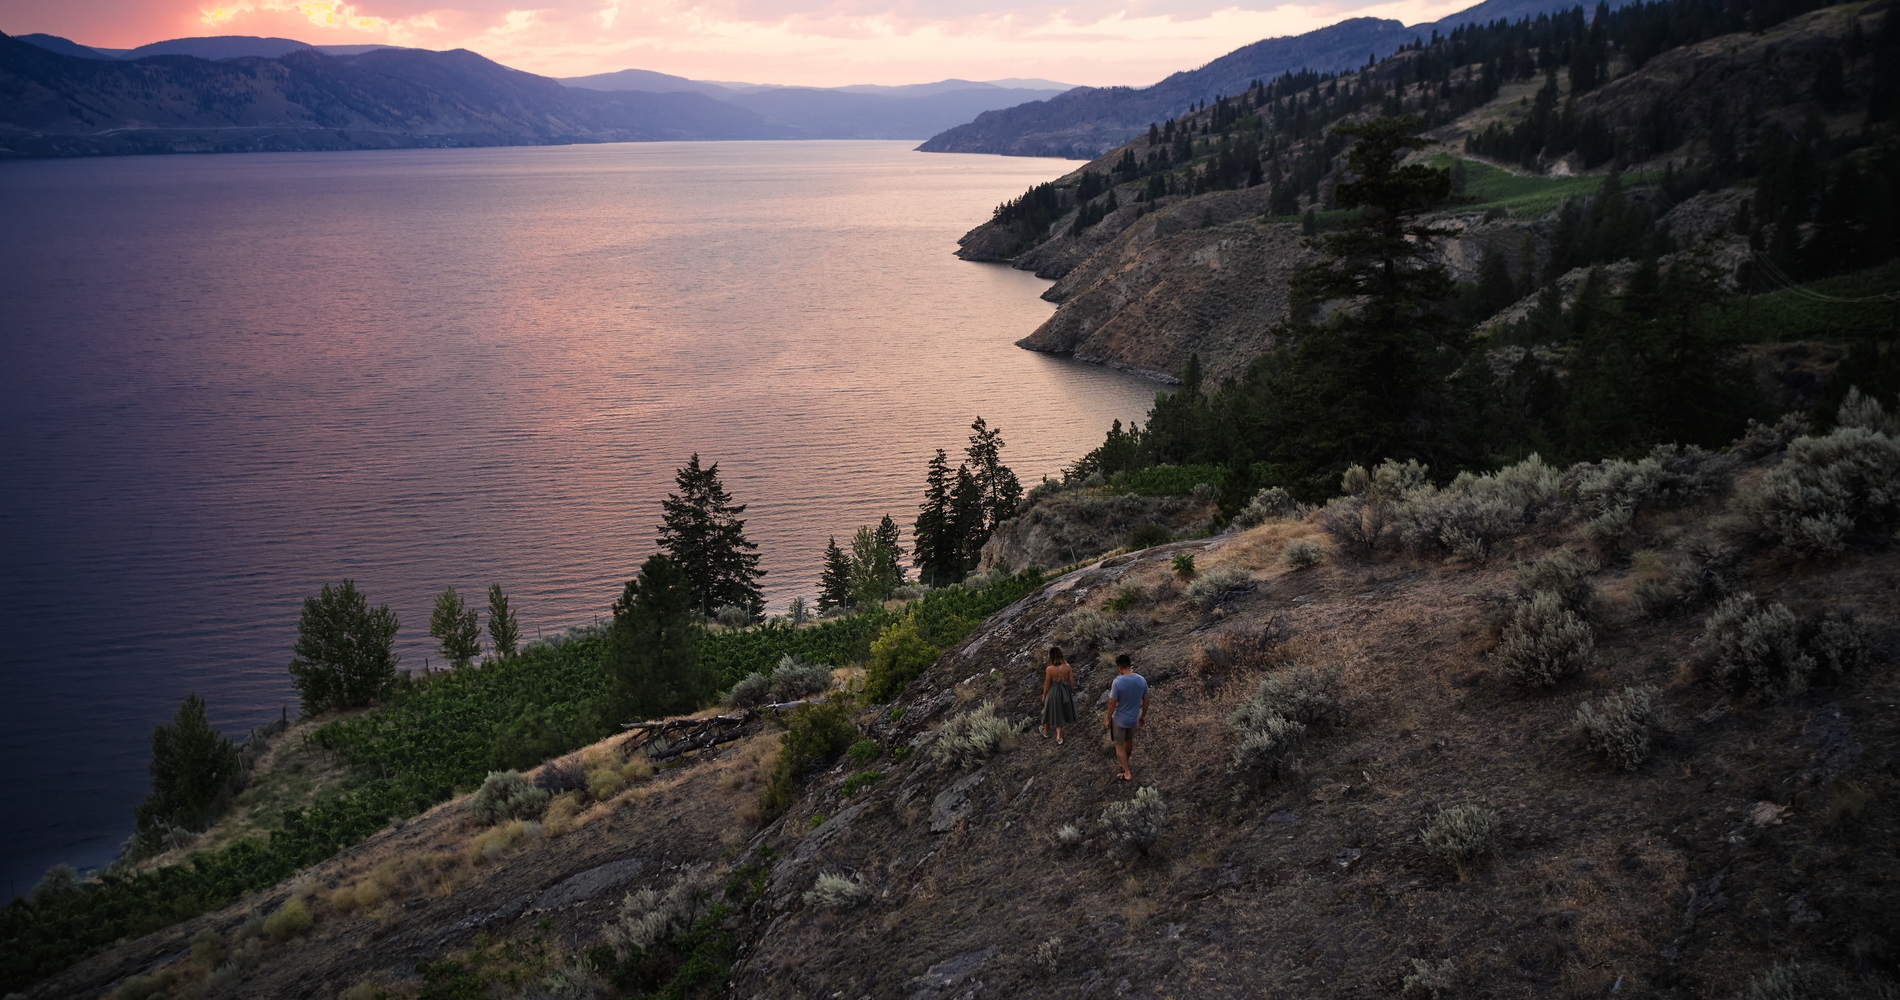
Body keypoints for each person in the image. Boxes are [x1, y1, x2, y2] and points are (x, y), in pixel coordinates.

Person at [1104, 652, 1148, 781]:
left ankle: (1127, 772)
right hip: (1133, 719)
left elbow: (1112, 703)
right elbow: (1146, 700)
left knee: (1119, 745)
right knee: (1129, 742)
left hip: (1119, 720)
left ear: (1119, 667)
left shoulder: (1117, 682)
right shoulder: (1141, 680)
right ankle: (1125, 764)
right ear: (1129, 665)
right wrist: (1143, 716)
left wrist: (1107, 719)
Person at [1040, 645, 1078, 744]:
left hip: (1053, 692)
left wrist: (1044, 695)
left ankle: (1049, 733)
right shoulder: (1068, 667)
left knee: (1050, 711)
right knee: (1061, 711)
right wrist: (1069, 691)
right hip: (1065, 691)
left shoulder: (1049, 669)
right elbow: (1072, 682)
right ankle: (1056, 736)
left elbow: (1047, 684)